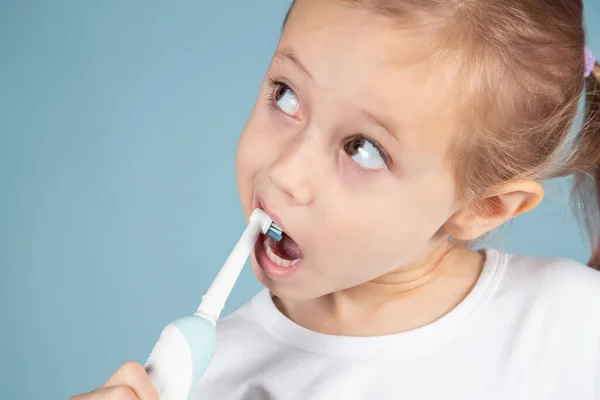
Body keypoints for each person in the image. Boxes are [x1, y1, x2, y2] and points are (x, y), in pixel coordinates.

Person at [70, 0, 600, 399]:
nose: (284, 172)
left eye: (363, 149)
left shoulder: (572, 326)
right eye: (286, 95)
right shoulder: (205, 381)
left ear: (480, 208)